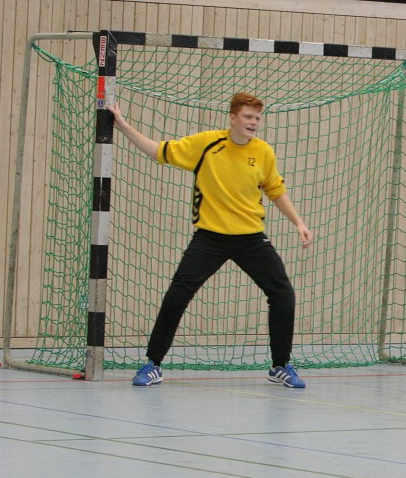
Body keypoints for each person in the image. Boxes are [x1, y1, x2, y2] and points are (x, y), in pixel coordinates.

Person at [108, 92, 314, 388]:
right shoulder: (207, 144)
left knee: (282, 293)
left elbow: (275, 190)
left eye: (257, 117)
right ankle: (152, 363)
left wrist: (299, 222)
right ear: (233, 118)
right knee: (178, 294)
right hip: (210, 238)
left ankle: (280, 365)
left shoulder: (264, 152)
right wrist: (124, 126)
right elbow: (157, 151)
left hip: (251, 238)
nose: (253, 122)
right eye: (247, 116)